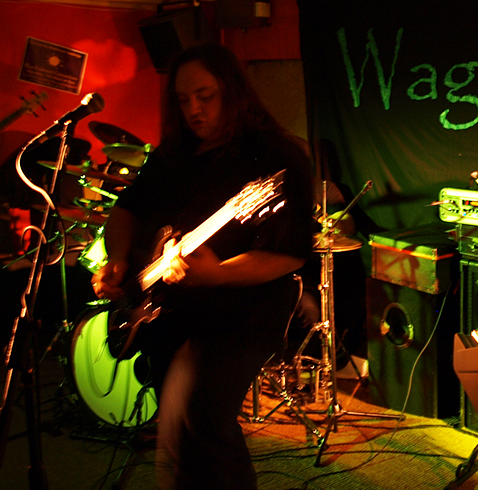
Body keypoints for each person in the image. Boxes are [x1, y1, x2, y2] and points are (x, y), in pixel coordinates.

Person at [91, 43, 314, 489]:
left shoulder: (277, 156)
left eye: (205, 96)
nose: (193, 109)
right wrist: (118, 259)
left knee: (202, 414)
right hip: (171, 311)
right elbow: (125, 210)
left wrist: (221, 273)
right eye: (183, 99)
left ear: (233, 91)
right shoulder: (174, 154)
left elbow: (289, 252)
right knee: (176, 428)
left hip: (244, 312)